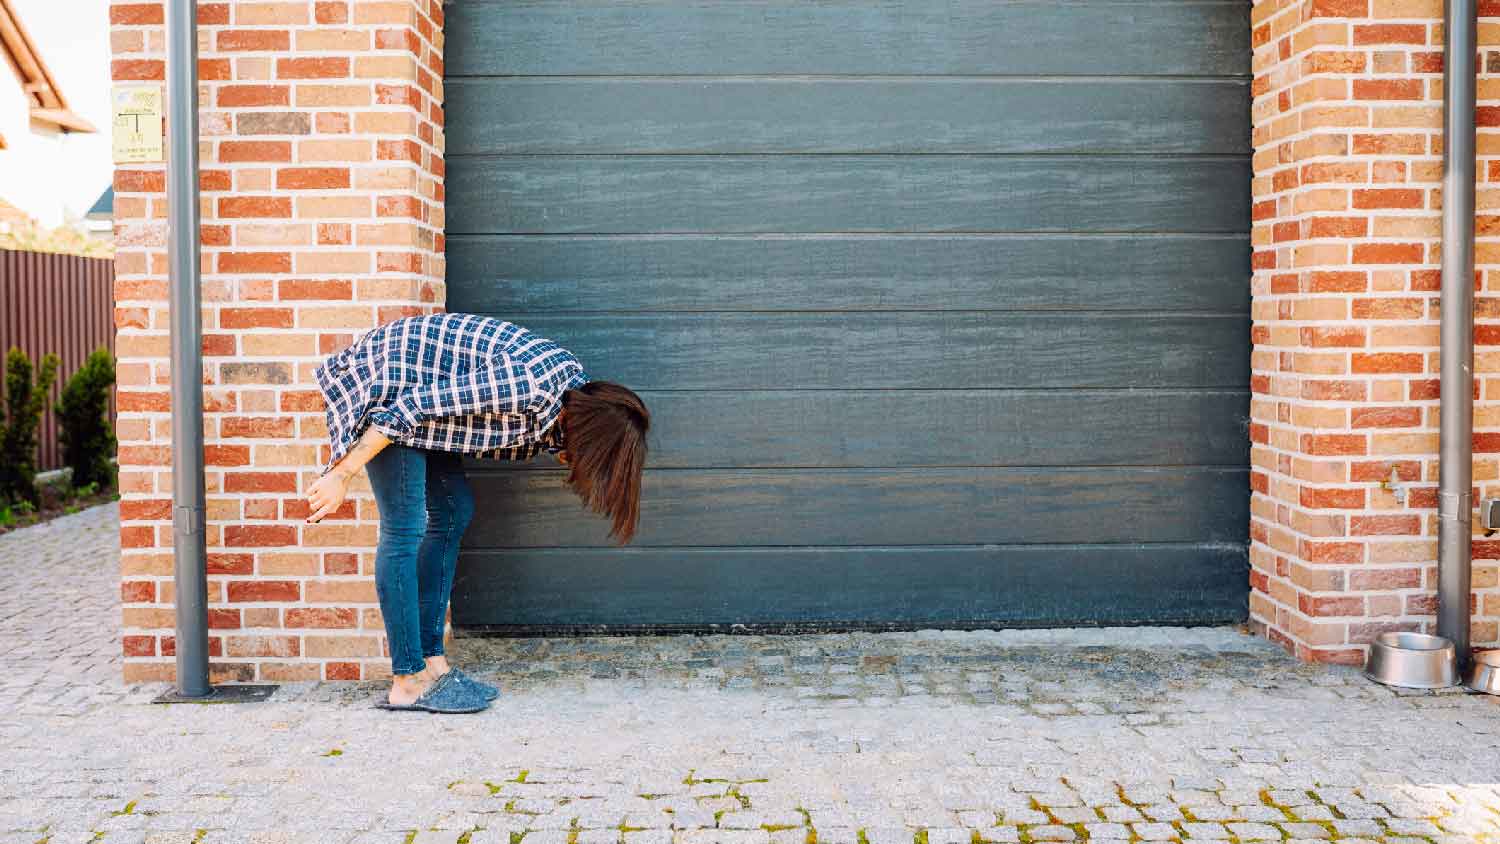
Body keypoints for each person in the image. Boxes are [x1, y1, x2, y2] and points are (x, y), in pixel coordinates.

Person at [304, 313, 650, 713]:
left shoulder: (568, 398)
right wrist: (341, 473)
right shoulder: (531, 387)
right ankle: (406, 681)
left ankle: (432, 663)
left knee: (454, 509)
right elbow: (410, 406)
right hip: (392, 388)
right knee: (404, 527)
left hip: (425, 411)